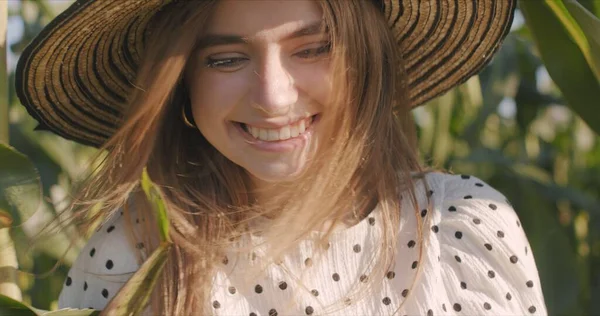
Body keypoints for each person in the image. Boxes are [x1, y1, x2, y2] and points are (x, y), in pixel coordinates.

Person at [15, 0, 547, 315]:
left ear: (370, 58)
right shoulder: (134, 254)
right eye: (225, 59)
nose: (273, 97)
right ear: (180, 85)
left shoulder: (463, 232)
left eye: (312, 48)